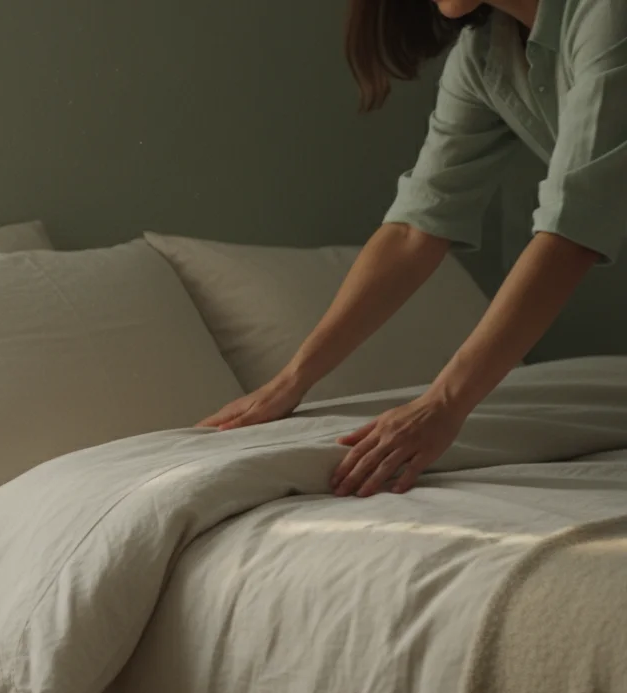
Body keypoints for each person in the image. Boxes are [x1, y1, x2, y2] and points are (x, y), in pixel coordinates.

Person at [198, 0, 624, 497]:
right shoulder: (485, 54)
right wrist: (291, 380)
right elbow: (414, 230)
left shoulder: (608, 14)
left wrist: (443, 404)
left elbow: (569, 235)